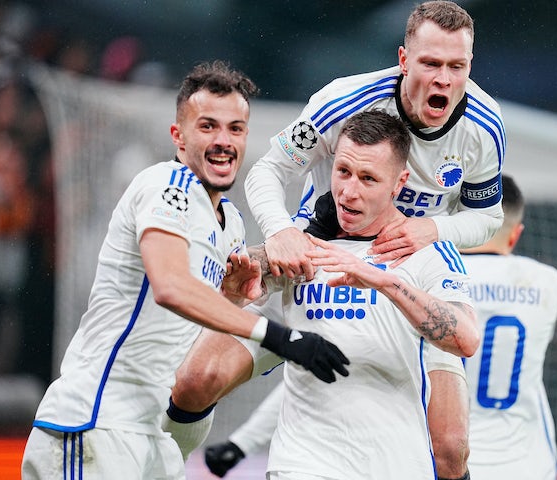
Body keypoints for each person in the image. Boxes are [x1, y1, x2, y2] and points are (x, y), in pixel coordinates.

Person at [168, 3, 504, 479]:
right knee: (196, 380)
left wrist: (432, 228)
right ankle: (163, 469)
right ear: (405, 59)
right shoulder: (344, 99)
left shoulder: (485, 127)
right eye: (431, 63)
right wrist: (283, 232)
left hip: (411, 272)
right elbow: (269, 169)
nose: (445, 79)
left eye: (458, 66)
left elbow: (487, 215)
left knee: (450, 449)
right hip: (312, 257)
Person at [20, 60, 349, 480]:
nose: (223, 141)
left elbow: (188, 331)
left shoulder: (229, 223)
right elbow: (171, 288)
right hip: (96, 424)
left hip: (155, 437)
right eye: (207, 126)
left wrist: (228, 297)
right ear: (179, 136)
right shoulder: (167, 185)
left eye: (235, 129)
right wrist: (281, 338)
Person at [271, 110, 479, 478]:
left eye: (368, 178)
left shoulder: (427, 253)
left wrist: (384, 281)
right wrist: (233, 289)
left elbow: (465, 338)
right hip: (302, 463)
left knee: (452, 447)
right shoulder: (300, 246)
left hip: (393, 464)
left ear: (399, 184)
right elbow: (235, 298)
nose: (349, 191)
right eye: (343, 172)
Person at [461, 174, 557, 479]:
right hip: (529, 464)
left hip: (450, 461)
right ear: (515, 235)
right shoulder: (547, 282)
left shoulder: (434, 278)